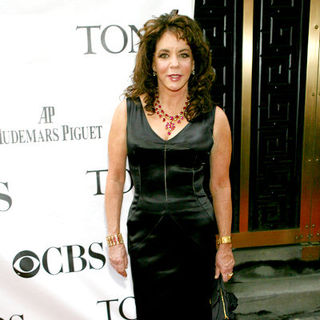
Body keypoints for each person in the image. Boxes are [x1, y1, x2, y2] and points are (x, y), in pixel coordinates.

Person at [105, 11, 235, 320]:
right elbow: (113, 180)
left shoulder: (215, 118)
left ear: (195, 63)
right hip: (146, 237)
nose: (174, 64)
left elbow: (220, 186)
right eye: (164, 55)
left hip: (196, 237)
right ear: (151, 62)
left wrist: (225, 245)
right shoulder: (127, 112)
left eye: (183, 55)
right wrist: (114, 240)